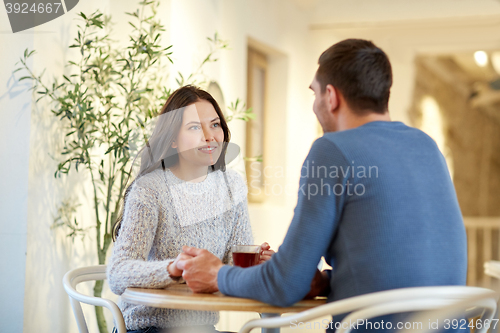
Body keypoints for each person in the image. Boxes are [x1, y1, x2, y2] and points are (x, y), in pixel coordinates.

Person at [175, 39, 467, 332]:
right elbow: (405, 262)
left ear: (331, 96)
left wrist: (217, 274)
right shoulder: (426, 146)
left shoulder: (332, 150)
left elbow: (284, 284)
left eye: (314, 93)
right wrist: (327, 280)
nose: (315, 105)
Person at [107, 85, 274, 333]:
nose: (209, 136)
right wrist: (172, 268)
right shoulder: (150, 189)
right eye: (195, 127)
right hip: (146, 327)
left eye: (215, 125)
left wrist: (254, 264)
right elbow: (118, 272)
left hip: (201, 328)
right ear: (173, 139)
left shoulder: (232, 186)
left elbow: (230, 265)